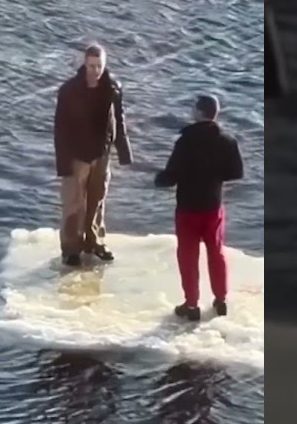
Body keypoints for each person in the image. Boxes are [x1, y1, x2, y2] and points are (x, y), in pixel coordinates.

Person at [154, 95, 244, 321]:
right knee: (216, 251)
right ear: (216, 113)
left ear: (199, 112)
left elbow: (171, 176)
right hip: (213, 205)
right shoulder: (228, 140)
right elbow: (235, 173)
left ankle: (192, 305)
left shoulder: (185, 141)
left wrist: (158, 178)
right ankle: (221, 300)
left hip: (188, 207)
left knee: (188, 255)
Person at [53, 44, 133, 267]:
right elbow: (60, 128)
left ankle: (94, 242)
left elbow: (119, 118)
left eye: (99, 66)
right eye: (91, 65)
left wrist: (124, 150)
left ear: (105, 65)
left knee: (97, 200)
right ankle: (71, 249)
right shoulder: (69, 90)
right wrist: (63, 164)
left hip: (101, 153)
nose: (95, 70)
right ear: (84, 64)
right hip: (76, 155)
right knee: (73, 204)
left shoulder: (113, 87)